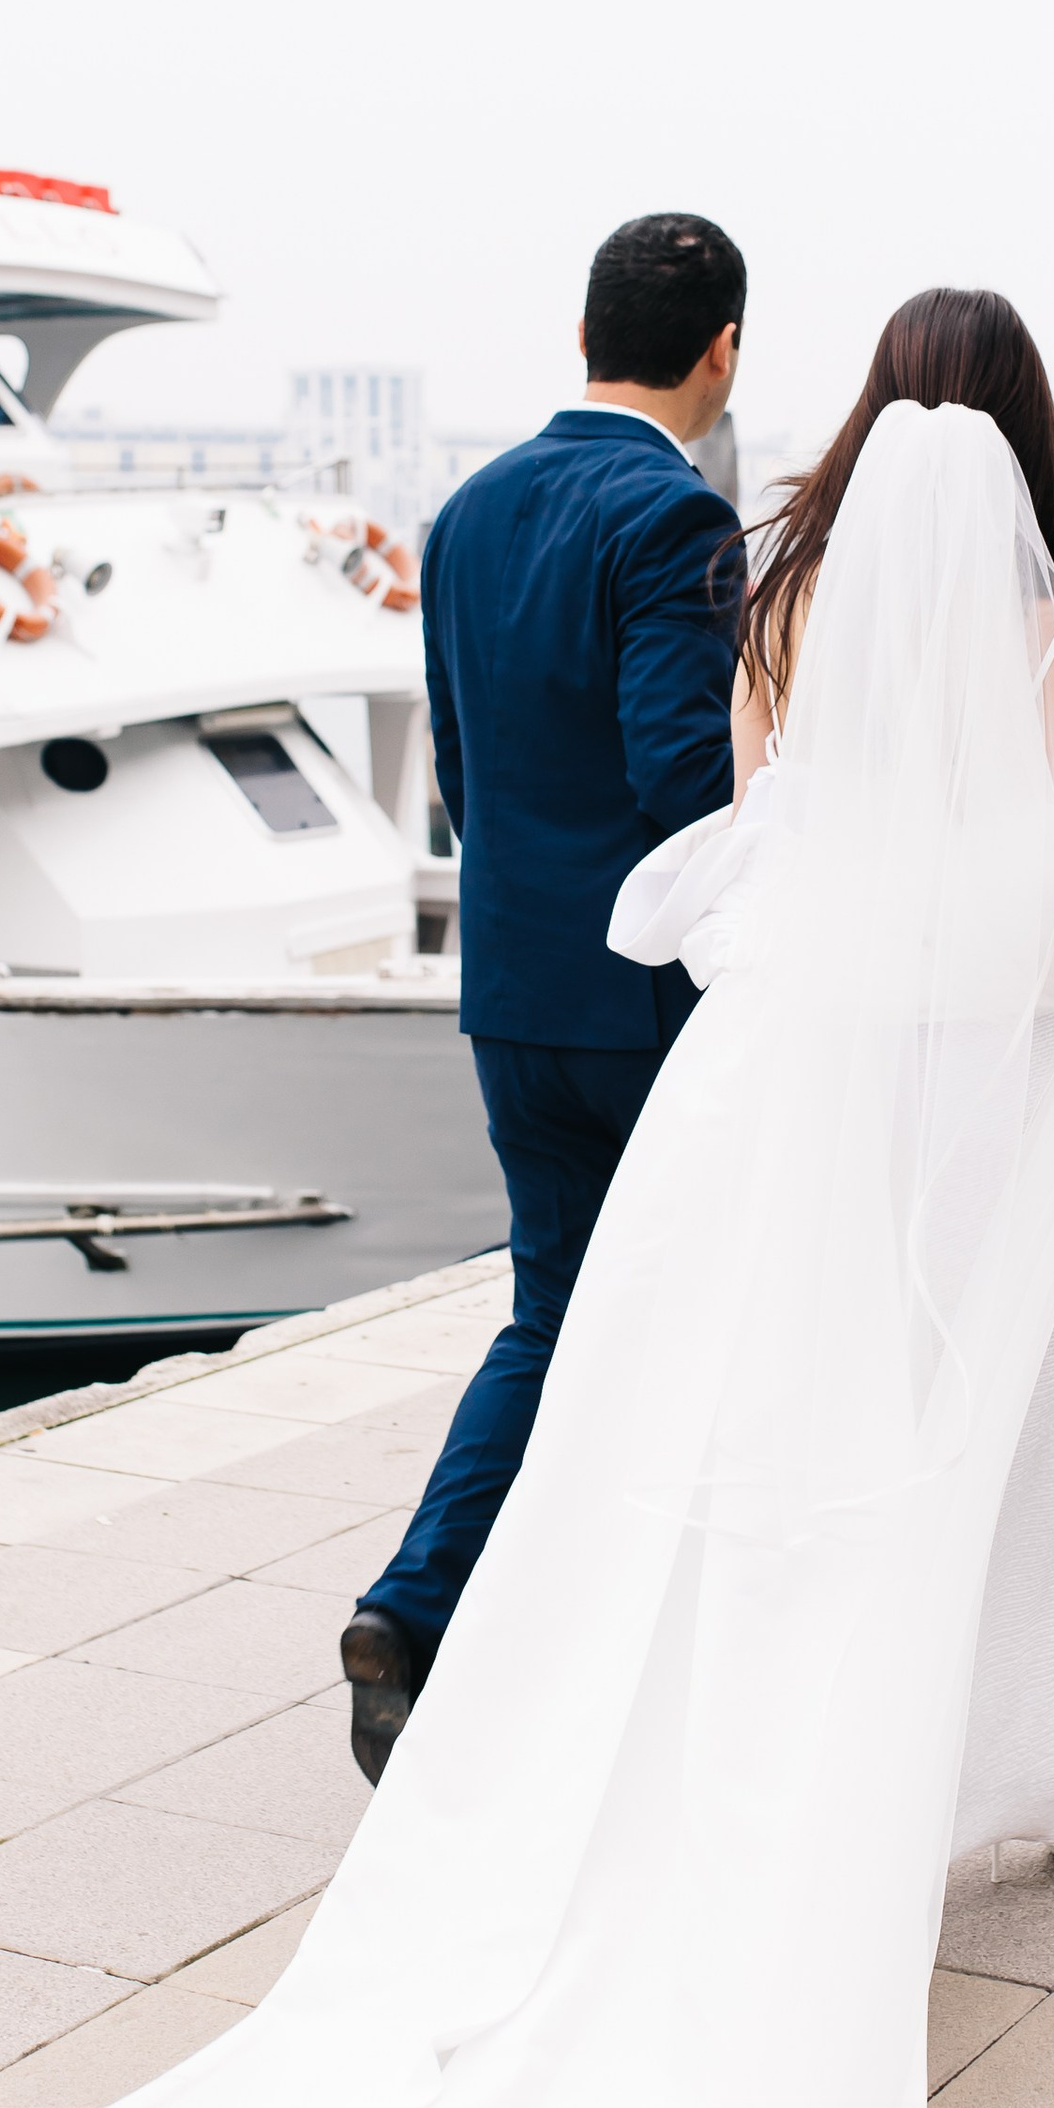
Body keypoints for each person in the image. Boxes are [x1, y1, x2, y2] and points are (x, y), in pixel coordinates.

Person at [0, 290, 1054, 2108]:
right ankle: (1007, 1754)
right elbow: (1039, 889)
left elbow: (750, 833)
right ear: (1013, 439)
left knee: (726, 1467)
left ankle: (733, 1743)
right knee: (972, 1453)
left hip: (752, 1093)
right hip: (961, 1123)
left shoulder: (774, 593)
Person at [339, 210, 747, 1779]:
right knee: (684, 1309)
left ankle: (435, 1610)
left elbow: (457, 769)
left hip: (509, 986)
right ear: (721, 350)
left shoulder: (463, 514)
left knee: (554, 1306)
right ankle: (514, 1615)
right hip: (646, 1003)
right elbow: (682, 784)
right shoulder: (673, 519)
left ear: (586, 337)